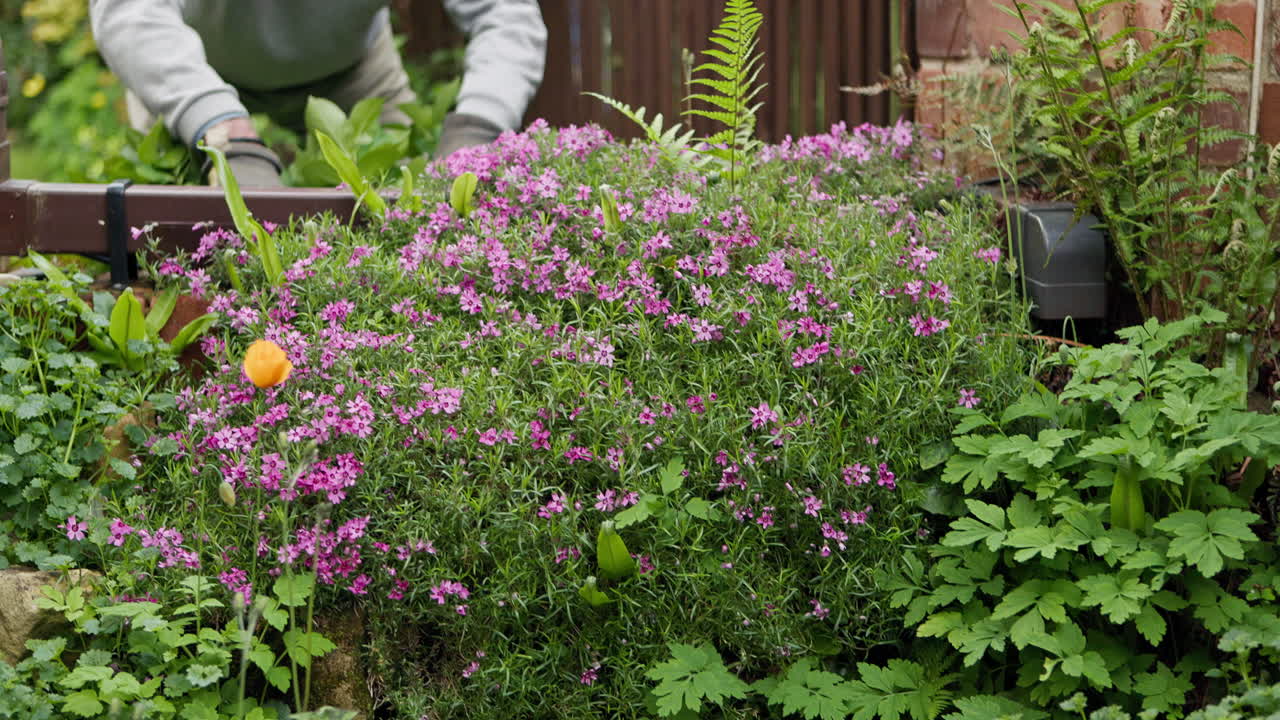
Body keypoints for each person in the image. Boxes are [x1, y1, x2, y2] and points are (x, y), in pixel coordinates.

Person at [88, 1, 547, 187]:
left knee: (411, 213)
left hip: (354, 72)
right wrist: (221, 126)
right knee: (164, 238)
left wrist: (478, 128)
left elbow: (505, 14)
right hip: (192, 69)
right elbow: (129, 12)